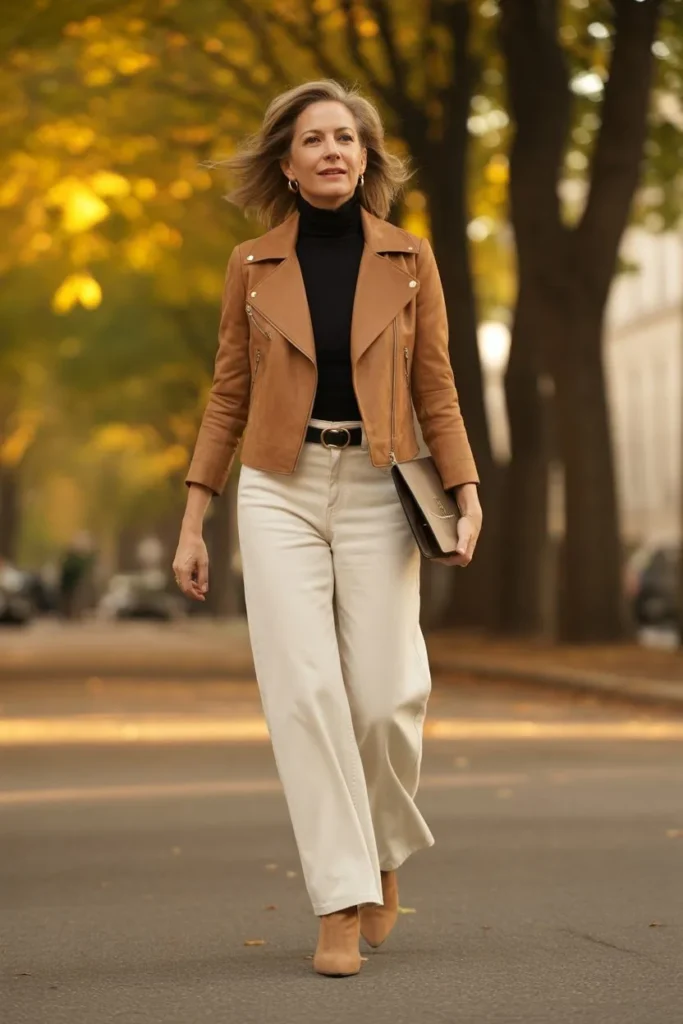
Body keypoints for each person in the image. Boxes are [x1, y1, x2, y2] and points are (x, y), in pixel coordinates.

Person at [173, 79, 483, 978]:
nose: (332, 151)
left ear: (365, 156)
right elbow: (228, 393)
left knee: (387, 696)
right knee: (304, 694)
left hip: (381, 484)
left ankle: (382, 844)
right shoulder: (252, 265)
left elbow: (437, 387)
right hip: (278, 486)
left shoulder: (411, 260)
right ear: (287, 160)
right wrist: (196, 519)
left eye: (346, 137)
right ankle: (339, 898)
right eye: (313, 139)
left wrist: (463, 488)